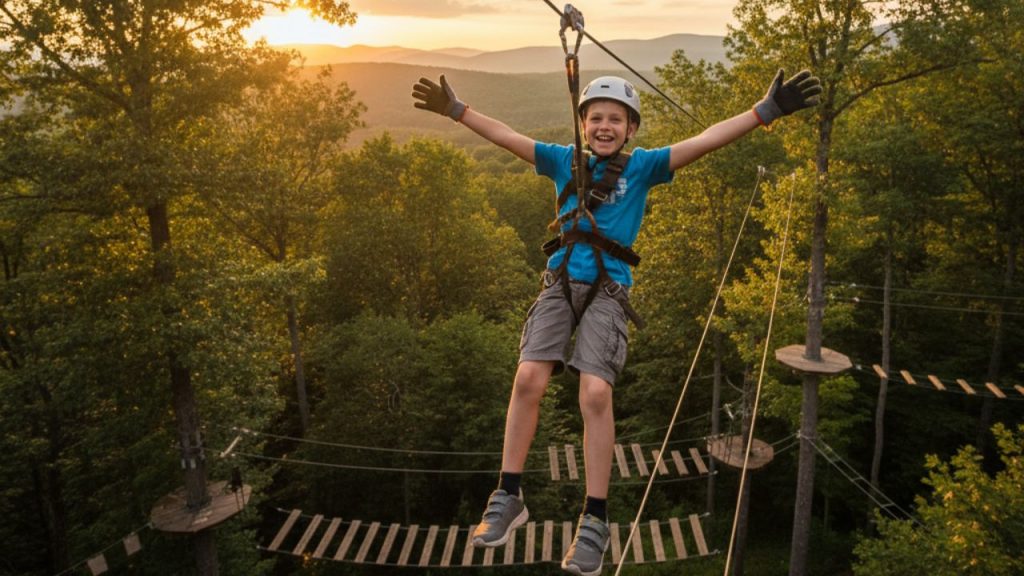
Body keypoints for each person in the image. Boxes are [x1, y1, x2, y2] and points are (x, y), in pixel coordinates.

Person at [412, 68, 820, 575]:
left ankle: (595, 520)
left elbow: (705, 139)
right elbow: (508, 136)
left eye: (616, 119)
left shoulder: (645, 168)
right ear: (583, 125)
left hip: (609, 290)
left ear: (631, 130)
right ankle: (508, 494)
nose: (605, 126)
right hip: (561, 281)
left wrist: (765, 112)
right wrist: (458, 110)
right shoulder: (565, 161)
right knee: (527, 379)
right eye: (596, 118)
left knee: (596, 393)